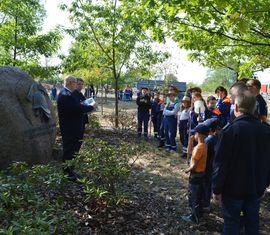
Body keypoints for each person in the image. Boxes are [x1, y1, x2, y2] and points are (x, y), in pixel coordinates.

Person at [212, 90, 270, 235]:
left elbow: (220, 163)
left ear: (236, 108)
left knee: (232, 223)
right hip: (256, 187)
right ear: (255, 109)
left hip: (233, 189)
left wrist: (216, 188)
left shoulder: (230, 131)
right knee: (252, 222)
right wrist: (265, 183)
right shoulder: (266, 131)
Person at [57, 75, 96, 180]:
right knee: (69, 149)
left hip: (75, 127)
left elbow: (78, 105)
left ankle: (70, 170)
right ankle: (67, 173)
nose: (77, 85)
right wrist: (91, 107)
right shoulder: (66, 95)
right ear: (70, 82)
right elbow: (78, 108)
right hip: (70, 128)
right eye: (75, 82)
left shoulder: (69, 94)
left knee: (74, 149)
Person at [182, 124, 209, 223]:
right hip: (201, 175)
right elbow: (190, 153)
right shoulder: (203, 145)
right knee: (198, 195)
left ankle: (194, 217)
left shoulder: (199, 148)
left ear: (199, 134)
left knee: (194, 196)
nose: (194, 135)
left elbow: (193, 165)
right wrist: (190, 141)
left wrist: (187, 170)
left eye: (195, 133)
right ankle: (199, 214)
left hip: (195, 175)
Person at [72, 78, 89, 149]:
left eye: (82, 84)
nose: (80, 86)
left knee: (80, 140)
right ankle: (72, 158)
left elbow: (85, 104)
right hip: (76, 121)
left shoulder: (80, 94)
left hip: (82, 119)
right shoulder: (72, 94)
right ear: (75, 84)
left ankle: (76, 156)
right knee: (75, 140)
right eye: (79, 84)